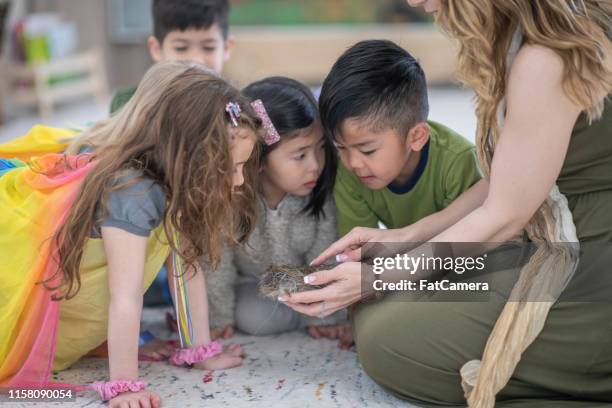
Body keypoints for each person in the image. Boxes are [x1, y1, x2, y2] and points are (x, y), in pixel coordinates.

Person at [283, 1, 612, 407]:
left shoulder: (543, 58)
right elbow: (509, 183)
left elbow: (503, 217)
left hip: (587, 257)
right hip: (545, 230)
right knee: (380, 307)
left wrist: (379, 274)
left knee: (388, 340)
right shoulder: (533, 37)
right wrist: (404, 239)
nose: (413, 3)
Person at [0, 61, 261, 408]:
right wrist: (125, 384)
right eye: (229, 168)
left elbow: (187, 268)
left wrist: (200, 350)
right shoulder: (132, 190)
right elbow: (124, 296)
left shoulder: (178, 178)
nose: (239, 181)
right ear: (188, 155)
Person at [205, 77, 348, 342]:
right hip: (253, 284)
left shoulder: (320, 196)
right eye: (300, 155)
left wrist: (327, 315)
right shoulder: (231, 200)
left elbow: (325, 257)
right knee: (253, 316)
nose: (315, 165)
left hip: (307, 282)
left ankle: (309, 310)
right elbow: (218, 264)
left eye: (320, 149)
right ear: (257, 157)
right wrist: (218, 316)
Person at [319, 39, 483, 239]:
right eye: (340, 147)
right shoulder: (348, 172)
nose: (352, 162)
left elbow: (465, 246)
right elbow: (360, 251)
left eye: (367, 150)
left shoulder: (457, 163)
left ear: (416, 137)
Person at [110, 0, 233, 114]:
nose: (196, 60)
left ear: (226, 48)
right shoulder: (129, 104)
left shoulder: (234, 107)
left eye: (208, 47)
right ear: (156, 49)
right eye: (181, 48)